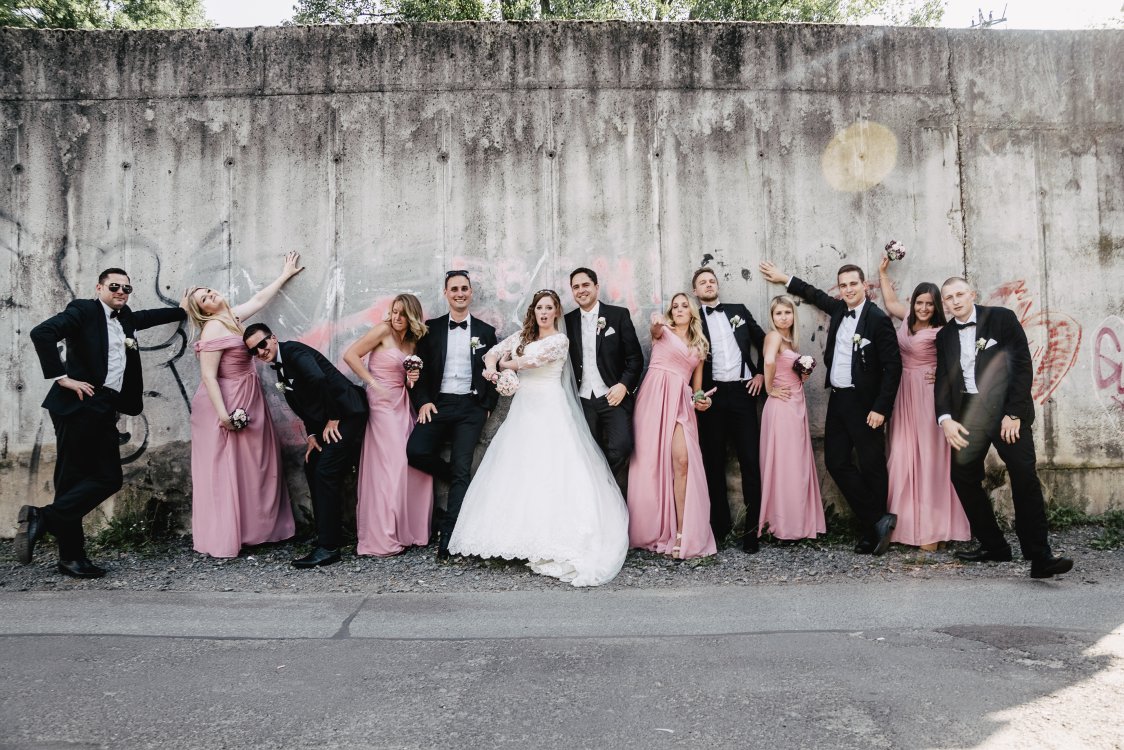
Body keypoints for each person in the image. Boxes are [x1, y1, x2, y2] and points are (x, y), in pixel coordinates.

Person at [448, 290, 629, 586]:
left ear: (556, 312)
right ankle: (515, 538)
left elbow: (529, 363)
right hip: (524, 409)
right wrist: (492, 369)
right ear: (533, 311)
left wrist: (506, 366)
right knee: (519, 469)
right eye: (539, 308)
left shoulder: (559, 340)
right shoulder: (522, 336)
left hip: (550, 407)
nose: (543, 312)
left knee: (552, 469)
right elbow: (491, 352)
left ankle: (559, 538)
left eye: (549, 308)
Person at [20, 267, 186, 578]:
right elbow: (42, 333)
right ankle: (70, 556)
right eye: (114, 286)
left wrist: (183, 310)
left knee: (105, 479)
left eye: (127, 288)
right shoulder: (83, 310)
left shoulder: (126, 318)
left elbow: (149, 317)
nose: (121, 292)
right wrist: (62, 378)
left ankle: (45, 520)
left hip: (104, 407)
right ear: (99, 288)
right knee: (75, 480)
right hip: (78, 405)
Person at [759, 260, 902, 555]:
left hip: (866, 405)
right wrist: (785, 278)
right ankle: (877, 520)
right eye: (843, 285)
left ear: (865, 285)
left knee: (872, 464)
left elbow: (893, 367)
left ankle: (872, 531)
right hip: (838, 400)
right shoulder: (838, 309)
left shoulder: (877, 320)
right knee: (836, 462)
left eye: (853, 283)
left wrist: (881, 408)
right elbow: (813, 294)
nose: (848, 289)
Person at [935, 277, 1074, 579]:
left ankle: (1040, 557)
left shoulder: (1000, 318)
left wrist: (1014, 413)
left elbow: (1022, 365)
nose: (955, 301)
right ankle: (994, 546)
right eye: (949, 298)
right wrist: (945, 419)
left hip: (1005, 413)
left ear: (972, 293)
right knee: (962, 477)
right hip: (968, 415)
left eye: (960, 294)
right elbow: (943, 382)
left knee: (1024, 476)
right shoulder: (945, 335)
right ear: (944, 303)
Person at [182, 253, 303, 560]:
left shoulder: (233, 318)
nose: (210, 295)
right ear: (202, 311)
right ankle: (230, 532)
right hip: (227, 401)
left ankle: (257, 530)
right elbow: (209, 376)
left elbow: (261, 299)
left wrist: (284, 274)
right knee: (230, 467)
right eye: (203, 299)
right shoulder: (212, 330)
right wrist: (224, 417)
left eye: (208, 291)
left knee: (254, 465)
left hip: (250, 396)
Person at [243, 322, 369, 568]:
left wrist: (334, 417)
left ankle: (329, 548)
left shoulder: (294, 353)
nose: (260, 351)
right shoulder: (278, 367)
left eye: (262, 344)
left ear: (273, 338)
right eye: (253, 351)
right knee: (312, 466)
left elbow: (320, 380)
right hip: (328, 421)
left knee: (325, 471)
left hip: (349, 412)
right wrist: (312, 434)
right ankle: (327, 533)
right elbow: (301, 403)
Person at [406, 270, 499, 561]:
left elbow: (494, 371)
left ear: (471, 293)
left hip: (471, 407)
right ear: (446, 294)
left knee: (462, 467)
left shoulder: (485, 332)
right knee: (416, 451)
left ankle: (449, 537)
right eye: (454, 289)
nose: (460, 293)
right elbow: (417, 371)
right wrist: (421, 401)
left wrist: (486, 406)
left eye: (464, 288)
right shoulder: (429, 329)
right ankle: (461, 482)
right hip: (438, 404)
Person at [877, 258, 969, 550]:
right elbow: (890, 303)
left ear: (937, 306)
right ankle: (905, 526)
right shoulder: (906, 319)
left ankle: (933, 531)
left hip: (927, 396)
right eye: (920, 303)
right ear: (914, 302)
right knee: (901, 457)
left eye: (930, 304)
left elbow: (956, 361)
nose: (924, 308)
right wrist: (882, 272)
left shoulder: (943, 331)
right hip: (902, 393)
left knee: (929, 460)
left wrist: (938, 375)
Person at [342, 294, 434, 556]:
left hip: (402, 402)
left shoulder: (413, 341)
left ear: (412, 317)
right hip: (381, 403)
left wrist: (412, 378)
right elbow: (351, 355)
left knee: (411, 465)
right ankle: (383, 535)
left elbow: (407, 378)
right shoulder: (383, 330)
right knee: (391, 467)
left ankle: (409, 530)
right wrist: (373, 383)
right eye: (394, 312)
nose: (396, 318)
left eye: (402, 314)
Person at [627, 293, 716, 559]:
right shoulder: (662, 331)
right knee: (650, 464)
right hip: (653, 398)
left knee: (682, 461)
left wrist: (702, 402)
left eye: (683, 305)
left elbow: (697, 390)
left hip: (680, 403)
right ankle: (652, 530)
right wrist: (656, 321)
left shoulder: (700, 345)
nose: (678, 309)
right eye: (674, 306)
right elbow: (654, 327)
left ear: (692, 312)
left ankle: (681, 532)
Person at [690, 267, 768, 552]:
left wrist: (761, 374)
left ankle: (752, 531)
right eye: (702, 283)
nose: (709, 285)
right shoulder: (693, 317)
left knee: (750, 462)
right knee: (713, 463)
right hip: (711, 397)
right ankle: (719, 528)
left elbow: (766, 342)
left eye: (712, 281)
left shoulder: (739, 310)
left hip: (744, 392)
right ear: (695, 292)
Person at [563, 267, 644, 479]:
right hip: (582, 400)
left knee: (623, 446)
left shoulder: (618, 315)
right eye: (576, 287)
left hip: (612, 396)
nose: (581, 290)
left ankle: (601, 482)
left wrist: (623, 385)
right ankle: (597, 493)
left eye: (585, 285)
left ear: (596, 287)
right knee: (586, 452)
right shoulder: (566, 322)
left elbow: (635, 358)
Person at [757, 295, 825, 541]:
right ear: (772, 317)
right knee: (786, 463)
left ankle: (798, 521)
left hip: (796, 404)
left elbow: (786, 366)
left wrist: (801, 375)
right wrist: (769, 388)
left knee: (795, 462)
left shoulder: (790, 342)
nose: (783, 317)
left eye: (787, 313)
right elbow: (768, 361)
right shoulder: (773, 336)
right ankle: (785, 526)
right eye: (778, 314)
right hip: (782, 405)